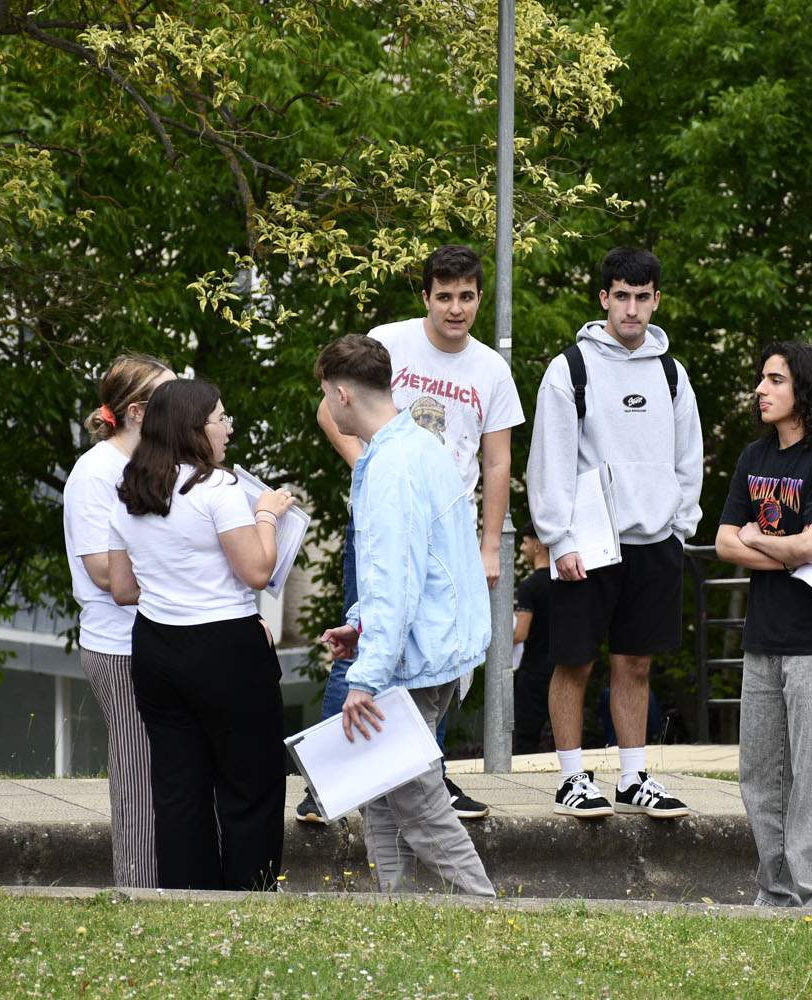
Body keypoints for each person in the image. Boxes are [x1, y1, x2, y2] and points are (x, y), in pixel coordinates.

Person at [298, 243, 522, 824]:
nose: (455, 308)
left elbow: (497, 463)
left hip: (446, 532)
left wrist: (488, 545)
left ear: (478, 298)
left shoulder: (491, 369)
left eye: (466, 297)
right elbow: (332, 411)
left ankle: (428, 775)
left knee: (436, 655)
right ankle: (328, 779)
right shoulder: (390, 341)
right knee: (368, 634)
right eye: (443, 296)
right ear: (425, 297)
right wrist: (374, 472)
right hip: (388, 519)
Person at [314, 334, 495, 897]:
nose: (326, 407)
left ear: (343, 394)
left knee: (417, 801)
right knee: (383, 788)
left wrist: (365, 677)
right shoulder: (418, 445)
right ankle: (395, 907)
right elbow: (420, 566)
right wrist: (362, 624)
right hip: (438, 647)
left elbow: (396, 578)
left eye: (325, 395)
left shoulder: (391, 466)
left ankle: (486, 912)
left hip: (415, 657)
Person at [526, 247, 703, 820]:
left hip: (654, 543)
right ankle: (572, 779)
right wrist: (559, 540)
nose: (631, 308)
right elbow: (548, 461)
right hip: (589, 547)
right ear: (604, 298)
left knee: (636, 663)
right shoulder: (570, 369)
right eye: (621, 296)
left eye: (642, 297)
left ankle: (633, 777)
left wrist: (680, 528)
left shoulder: (671, 373)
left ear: (657, 300)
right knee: (574, 662)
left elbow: (688, 460)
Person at [107, 378, 296, 891]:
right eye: (220, 419)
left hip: (156, 647)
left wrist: (173, 585)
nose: (227, 429)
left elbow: (123, 588)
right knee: (249, 782)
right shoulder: (218, 490)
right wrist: (267, 516)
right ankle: (249, 895)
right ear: (195, 428)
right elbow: (257, 570)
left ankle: (187, 898)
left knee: (177, 787)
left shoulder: (130, 491)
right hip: (227, 647)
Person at [714, 341, 812, 909]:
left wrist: (760, 537)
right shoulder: (755, 457)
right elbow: (728, 543)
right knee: (760, 778)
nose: (761, 389)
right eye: (761, 378)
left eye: (775, 380)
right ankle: (776, 895)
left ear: (804, 389)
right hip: (763, 641)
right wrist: (777, 547)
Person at [62, 352, 175, 888]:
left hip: (157, 635)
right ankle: (137, 888)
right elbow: (104, 572)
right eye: (168, 399)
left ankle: (169, 883)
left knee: (166, 770)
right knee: (135, 771)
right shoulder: (96, 472)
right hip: (117, 644)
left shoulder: (156, 464)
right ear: (136, 411)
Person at [511, 525, 554, 755]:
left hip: (534, 668)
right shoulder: (563, 583)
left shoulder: (530, 587)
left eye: (525, 543)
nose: (522, 548)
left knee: (527, 736)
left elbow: (520, 634)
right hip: (560, 667)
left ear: (538, 546)